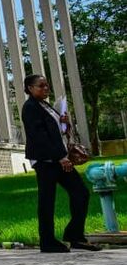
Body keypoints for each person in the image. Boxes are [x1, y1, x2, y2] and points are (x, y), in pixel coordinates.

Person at [20, 74, 100, 252]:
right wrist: (61, 157)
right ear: (30, 88)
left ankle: (75, 235)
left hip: (59, 158)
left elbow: (55, 132)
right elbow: (40, 137)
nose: (46, 88)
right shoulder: (30, 107)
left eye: (47, 85)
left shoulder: (45, 105)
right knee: (47, 200)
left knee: (81, 193)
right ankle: (47, 241)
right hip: (46, 160)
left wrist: (64, 123)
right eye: (41, 86)